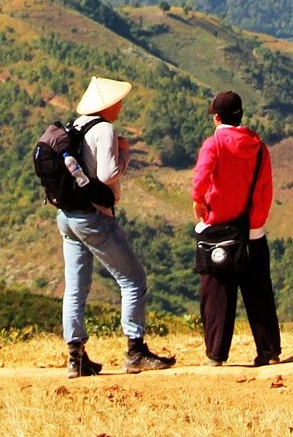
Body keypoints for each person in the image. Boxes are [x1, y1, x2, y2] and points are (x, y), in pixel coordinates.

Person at [55, 75, 176, 377]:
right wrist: (125, 154)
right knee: (133, 280)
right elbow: (108, 175)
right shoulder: (105, 129)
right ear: (108, 105)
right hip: (94, 216)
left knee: (75, 287)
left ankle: (76, 358)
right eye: (117, 101)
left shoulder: (76, 125)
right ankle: (135, 352)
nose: (120, 105)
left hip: (67, 215)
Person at [191, 89, 281, 367]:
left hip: (219, 233)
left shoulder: (214, 144)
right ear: (240, 115)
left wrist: (200, 204)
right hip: (252, 231)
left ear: (217, 117)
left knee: (217, 296)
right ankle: (269, 352)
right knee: (259, 295)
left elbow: (200, 179)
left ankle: (216, 355)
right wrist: (257, 221)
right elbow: (266, 188)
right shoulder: (259, 147)